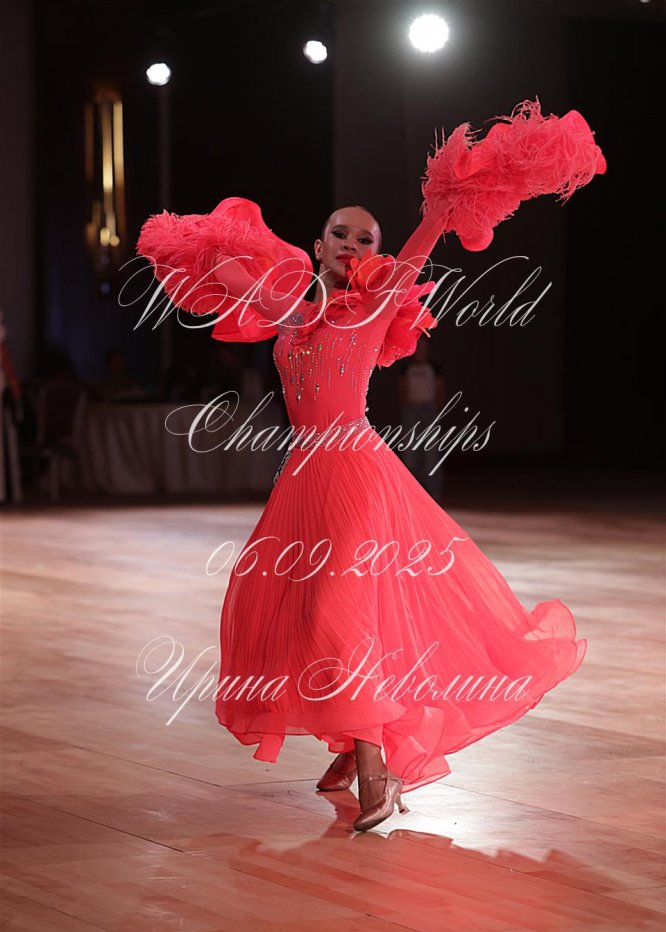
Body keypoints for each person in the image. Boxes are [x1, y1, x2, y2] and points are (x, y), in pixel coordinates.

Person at [137, 98, 604, 832]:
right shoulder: (293, 314)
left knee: (339, 613)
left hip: (356, 475)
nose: (352, 244)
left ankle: (375, 770)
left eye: (366, 237)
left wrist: (444, 206)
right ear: (318, 244)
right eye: (340, 233)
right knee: (300, 615)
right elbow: (237, 282)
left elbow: (422, 242)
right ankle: (351, 745)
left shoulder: (373, 307)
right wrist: (208, 249)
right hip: (303, 480)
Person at [398, 337, 446, 502]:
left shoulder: (434, 368)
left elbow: (440, 389)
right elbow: (402, 389)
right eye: (417, 347)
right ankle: (410, 492)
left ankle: (433, 492)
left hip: (429, 410)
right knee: (410, 451)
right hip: (411, 410)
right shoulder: (407, 368)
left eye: (423, 347)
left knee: (431, 452)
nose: (420, 351)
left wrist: (435, 408)